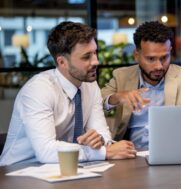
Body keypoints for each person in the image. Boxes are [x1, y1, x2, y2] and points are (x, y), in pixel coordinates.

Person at [0, 21, 136, 166]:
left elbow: (102, 133)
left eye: (95, 52)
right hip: (19, 172)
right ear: (62, 62)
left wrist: (100, 141)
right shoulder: (38, 90)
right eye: (86, 56)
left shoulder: (90, 85)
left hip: (63, 168)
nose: (96, 61)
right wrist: (104, 152)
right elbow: (46, 151)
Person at [101, 21, 181, 150]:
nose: (159, 66)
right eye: (151, 59)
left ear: (170, 51)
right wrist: (117, 97)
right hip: (132, 154)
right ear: (136, 55)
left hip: (175, 152)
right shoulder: (122, 76)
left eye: (164, 58)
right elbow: (97, 104)